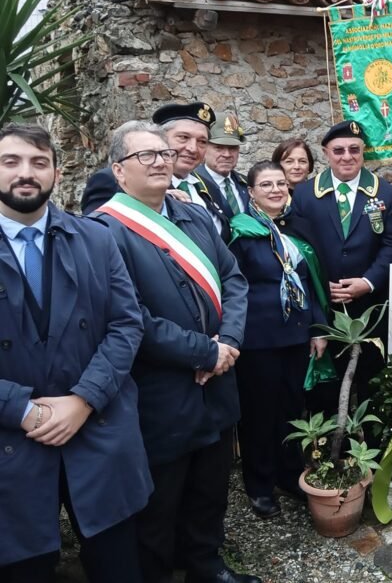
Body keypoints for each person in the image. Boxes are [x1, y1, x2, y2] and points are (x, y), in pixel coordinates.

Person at [91, 121, 257, 583]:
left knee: (210, 488)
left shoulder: (194, 215)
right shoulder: (103, 231)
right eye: (147, 156)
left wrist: (229, 342)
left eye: (164, 153)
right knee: (160, 501)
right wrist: (203, 351)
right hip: (161, 392)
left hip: (218, 382)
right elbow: (130, 319)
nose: (162, 160)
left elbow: (235, 281)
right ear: (119, 171)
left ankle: (207, 566)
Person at [0, 124, 151, 583]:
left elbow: (127, 324)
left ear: (56, 173)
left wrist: (84, 399)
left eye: (39, 162)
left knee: (118, 563)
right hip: (11, 440)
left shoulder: (96, 239)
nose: (26, 173)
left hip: (98, 426)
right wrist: (19, 408)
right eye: (11, 162)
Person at [228, 161, 329, 520]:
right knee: (259, 414)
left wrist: (317, 328)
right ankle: (259, 485)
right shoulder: (239, 232)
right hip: (258, 339)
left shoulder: (294, 228)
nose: (275, 189)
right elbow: (233, 286)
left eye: (281, 183)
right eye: (266, 184)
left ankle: (289, 475)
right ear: (251, 192)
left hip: (296, 336)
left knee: (290, 409)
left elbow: (311, 282)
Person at [291, 120, 392, 407]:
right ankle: (327, 451)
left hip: (371, 309)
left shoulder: (385, 192)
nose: (347, 156)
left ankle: (371, 451)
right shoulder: (304, 194)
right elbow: (298, 250)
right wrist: (318, 284)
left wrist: (367, 282)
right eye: (338, 150)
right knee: (324, 393)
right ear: (326, 152)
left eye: (354, 149)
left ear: (364, 152)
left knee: (372, 388)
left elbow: (391, 245)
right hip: (322, 310)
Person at [82, 102, 230, 239]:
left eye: (202, 142)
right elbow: (97, 238)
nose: (193, 148)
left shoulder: (208, 187)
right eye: (183, 137)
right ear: (160, 139)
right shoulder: (113, 180)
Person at [196, 111, 249, 218]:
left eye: (233, 148)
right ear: (204, 148)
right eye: (219, 148)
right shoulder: (194, 183)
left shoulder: (246, 183)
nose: (227, 154)